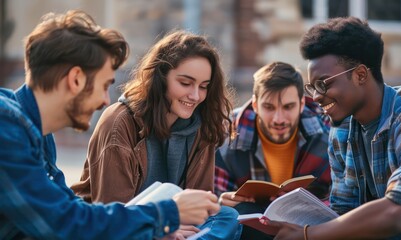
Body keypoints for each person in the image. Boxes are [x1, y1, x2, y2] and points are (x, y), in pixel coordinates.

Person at [0, 10, 221, 240]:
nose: (106, 100)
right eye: (104, 85)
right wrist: (168, 213)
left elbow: (66, 207)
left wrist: (153, 227)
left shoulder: (34, 132)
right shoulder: (6, 126)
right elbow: (64, 223)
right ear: (76, 79)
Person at [71, 30, 242, 239]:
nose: (196, 96)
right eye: (185, 83)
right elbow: (113, 214)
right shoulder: (119, 123)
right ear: (161, 78)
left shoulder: (203, 124)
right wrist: (160, 230)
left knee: (227, 216)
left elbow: (199, 206)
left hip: (175, 224)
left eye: (203, 86)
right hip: (124, 226)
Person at [265, 17, 401, 239]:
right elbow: (343, 211)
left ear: (360, 75)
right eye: (312, 87)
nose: (316, 96)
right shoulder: (342, 126)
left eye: (323, 84)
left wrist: (308, 234)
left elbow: (398, 213)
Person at [215, 62, 331, 239]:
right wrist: (221, 201)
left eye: (288, 107)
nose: (279, 119)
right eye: (269, 107)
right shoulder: (226, 134)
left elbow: (343, 194)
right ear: (255, 104)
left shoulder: (328, 129)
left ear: (301, 104)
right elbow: (213, 204)